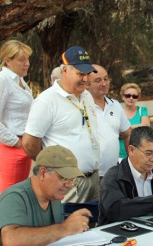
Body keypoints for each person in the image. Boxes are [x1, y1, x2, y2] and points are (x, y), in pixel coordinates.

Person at [23, 46, 100, 203]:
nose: (85, 79)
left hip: (94, 178)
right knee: (68, 225)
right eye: (80, 74)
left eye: (87, 74)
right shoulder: (46, 101)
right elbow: (29, 143)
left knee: (93, 224)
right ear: (65, 70)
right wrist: (53, 167)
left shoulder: (87, 96)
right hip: (67, 182)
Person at [0, 40, 34, 193]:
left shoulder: (20, 81)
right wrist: (16, 143)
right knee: (10, 196)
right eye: (21, 59)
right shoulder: (1, 80)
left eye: (27, 59)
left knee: (21, 195)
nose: (27, 63)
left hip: (24, 145)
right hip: (13, 148)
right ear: (7, 60)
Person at [86, 64, 131, 178]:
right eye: (98, 80)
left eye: (106, 79)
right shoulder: (80, 107)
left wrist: (131, 163)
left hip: (113, 175)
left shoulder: (115, 105)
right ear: (87, 84)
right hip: (87, 177)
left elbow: (127, 134)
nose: (104, 84)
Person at [119, 83, 150, 158]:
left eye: (134, 96)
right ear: (123, 97)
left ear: (138, 98)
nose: (131, 98)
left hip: (138, 154)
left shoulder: (142, 110)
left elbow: (146, 126)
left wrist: (125, 130)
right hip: (119, 154)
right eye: (128, 95)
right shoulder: (117, 112)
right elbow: (115, 132)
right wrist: (137, 128)